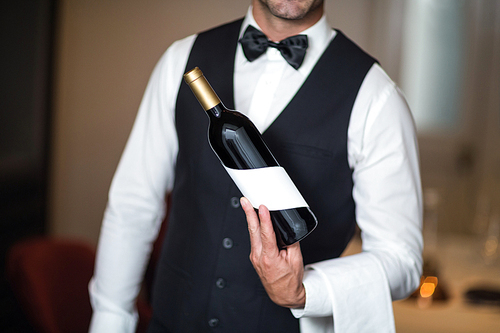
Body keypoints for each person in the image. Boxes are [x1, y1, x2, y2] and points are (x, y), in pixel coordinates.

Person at [89, 0, 423, 332]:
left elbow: (401, 259)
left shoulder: (376, 96)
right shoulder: (181, 59)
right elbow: (133, 205)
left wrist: (306, 290)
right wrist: (109, 321)